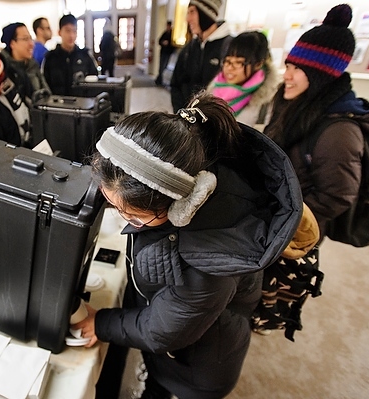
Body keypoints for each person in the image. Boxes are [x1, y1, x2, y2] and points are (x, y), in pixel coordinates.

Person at [73, 93, 302, 398]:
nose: (125, 218)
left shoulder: (209, 268)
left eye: (134, 215)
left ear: (183, 206)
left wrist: (101, 323)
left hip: (197, 370)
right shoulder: (198, 164)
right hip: (183, 341)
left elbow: (161, 331)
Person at [264, 4, 369, 240]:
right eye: (288, 65)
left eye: (297, 68)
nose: (287, 75)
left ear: (321, 74)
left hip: (292, 232)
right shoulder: (294, 106)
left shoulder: (339, 130)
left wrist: (285, 222)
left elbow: (336, 196)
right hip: (272, 216)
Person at [170, 0, 233, 113]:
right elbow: (176, 84)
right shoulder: (190, 48)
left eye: (192, 12)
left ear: (206, 14)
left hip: (215, 123)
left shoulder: (230, 48)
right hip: (187, 122)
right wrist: (181, 115)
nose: (188, 19)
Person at [208, 30, 278, 127]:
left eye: (239, 63)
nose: (230, 68)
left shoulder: (267, 103)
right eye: (228, 61)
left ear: (258, 64)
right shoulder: (212, 91)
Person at [43, 13, 98, 96]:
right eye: (67, 31)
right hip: (58, 105)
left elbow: (94, 82)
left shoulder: (85, 56)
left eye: (74, 31)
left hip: (82, 105)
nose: (71, 35)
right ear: (59, 32)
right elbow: (45, 85)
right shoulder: (51, 58)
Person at [0, 22, 50, 102]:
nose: (31, 44)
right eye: (25, 39)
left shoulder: (32, 64)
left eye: (30, 38)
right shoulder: (4, 70)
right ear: (12, 43)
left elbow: (47, 94)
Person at [155, 21, 175, 86]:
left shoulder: (172, 34)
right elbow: (159, 41)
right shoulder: (165, 33)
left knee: (165, 66)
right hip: (163, 52)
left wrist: (168, 44)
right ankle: (159, 80)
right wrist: (163, 43)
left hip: (168, 52)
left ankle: (160, 79)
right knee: (161, 66)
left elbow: (173, 44)